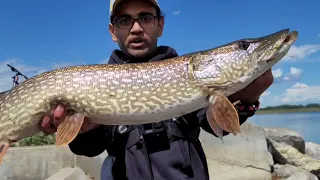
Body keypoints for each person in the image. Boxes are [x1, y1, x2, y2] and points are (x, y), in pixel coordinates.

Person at [40, 0, 274, 179]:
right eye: (125, 20)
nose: (136, 28)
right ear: (113, 31)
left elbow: (216, 127)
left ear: (160, 24)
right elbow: (91, 148)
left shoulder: (188, 76)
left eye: (145, 18)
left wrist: (247, 98)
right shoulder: (93, 84)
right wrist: (84, 131)